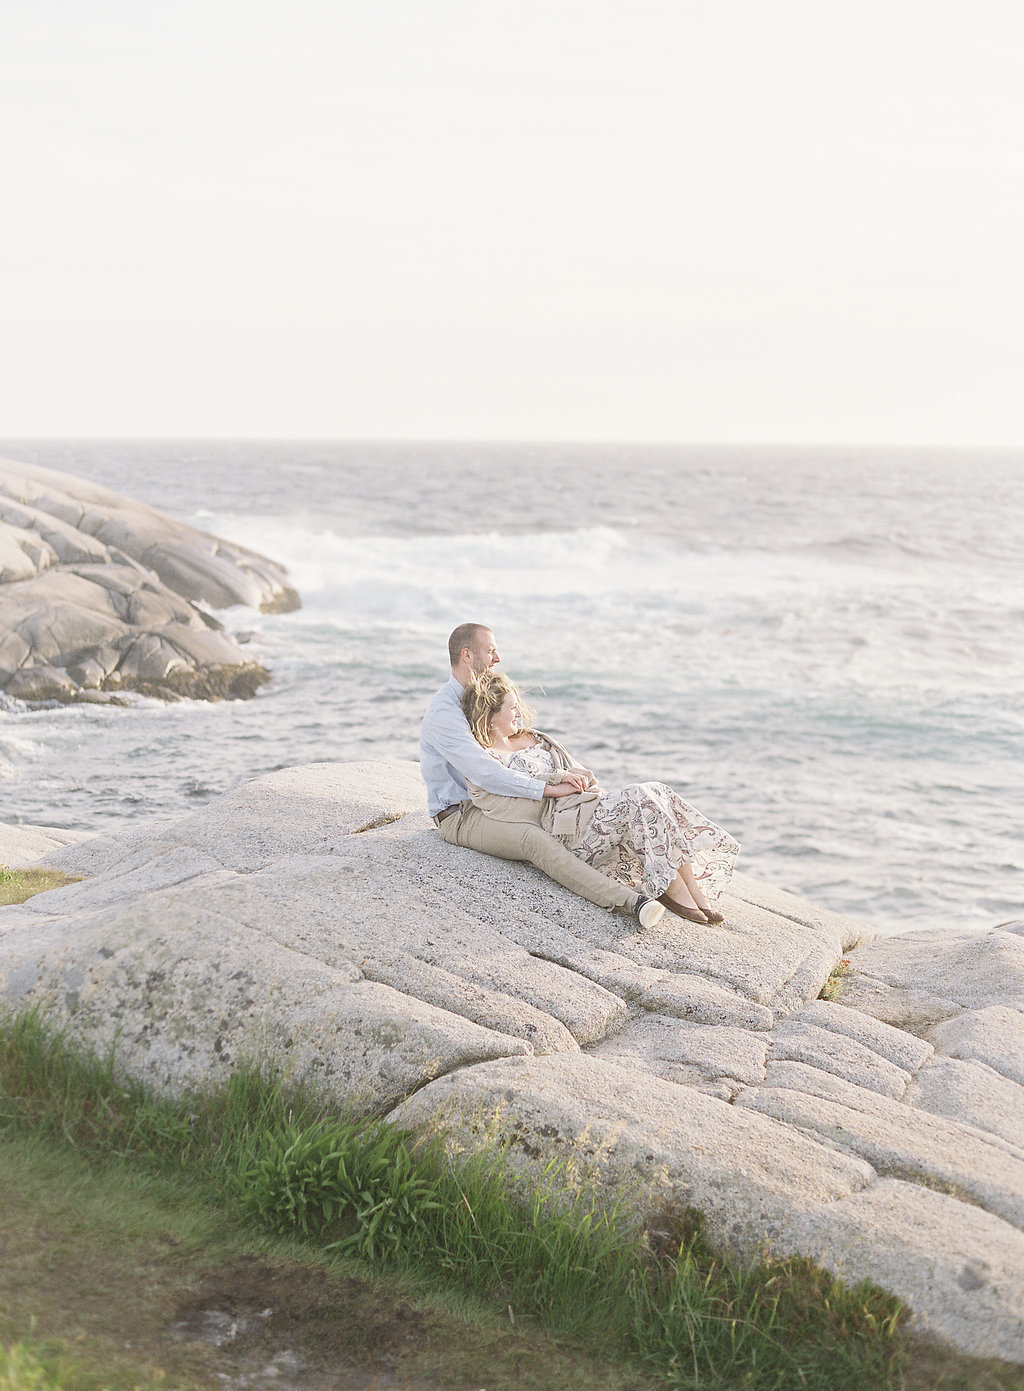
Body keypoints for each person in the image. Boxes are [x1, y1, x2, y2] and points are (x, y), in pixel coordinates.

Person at [419, 623, 665, 929]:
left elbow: (506, 744)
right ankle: (631, 902)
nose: (497, 658)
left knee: (580, 817)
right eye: (490, 650)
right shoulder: (445, 712)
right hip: (463, 814)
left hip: (495, 801)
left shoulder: (479, 697)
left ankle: (655, 877)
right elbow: (486, 772)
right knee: (533, 839)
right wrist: (548, 790)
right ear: (467, 655)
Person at [460, 669, 739, 924]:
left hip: (588, 810)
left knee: (657, 791)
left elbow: (578, 770)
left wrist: (577, 781)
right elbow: (506, 807)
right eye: (511, 708)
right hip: (567, 832)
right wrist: (555, 782)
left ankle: (688, 887)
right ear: (491, 715)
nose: (519, 713)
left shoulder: (534, 738)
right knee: (639, 793)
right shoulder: (487, 764)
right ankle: (672, 887)